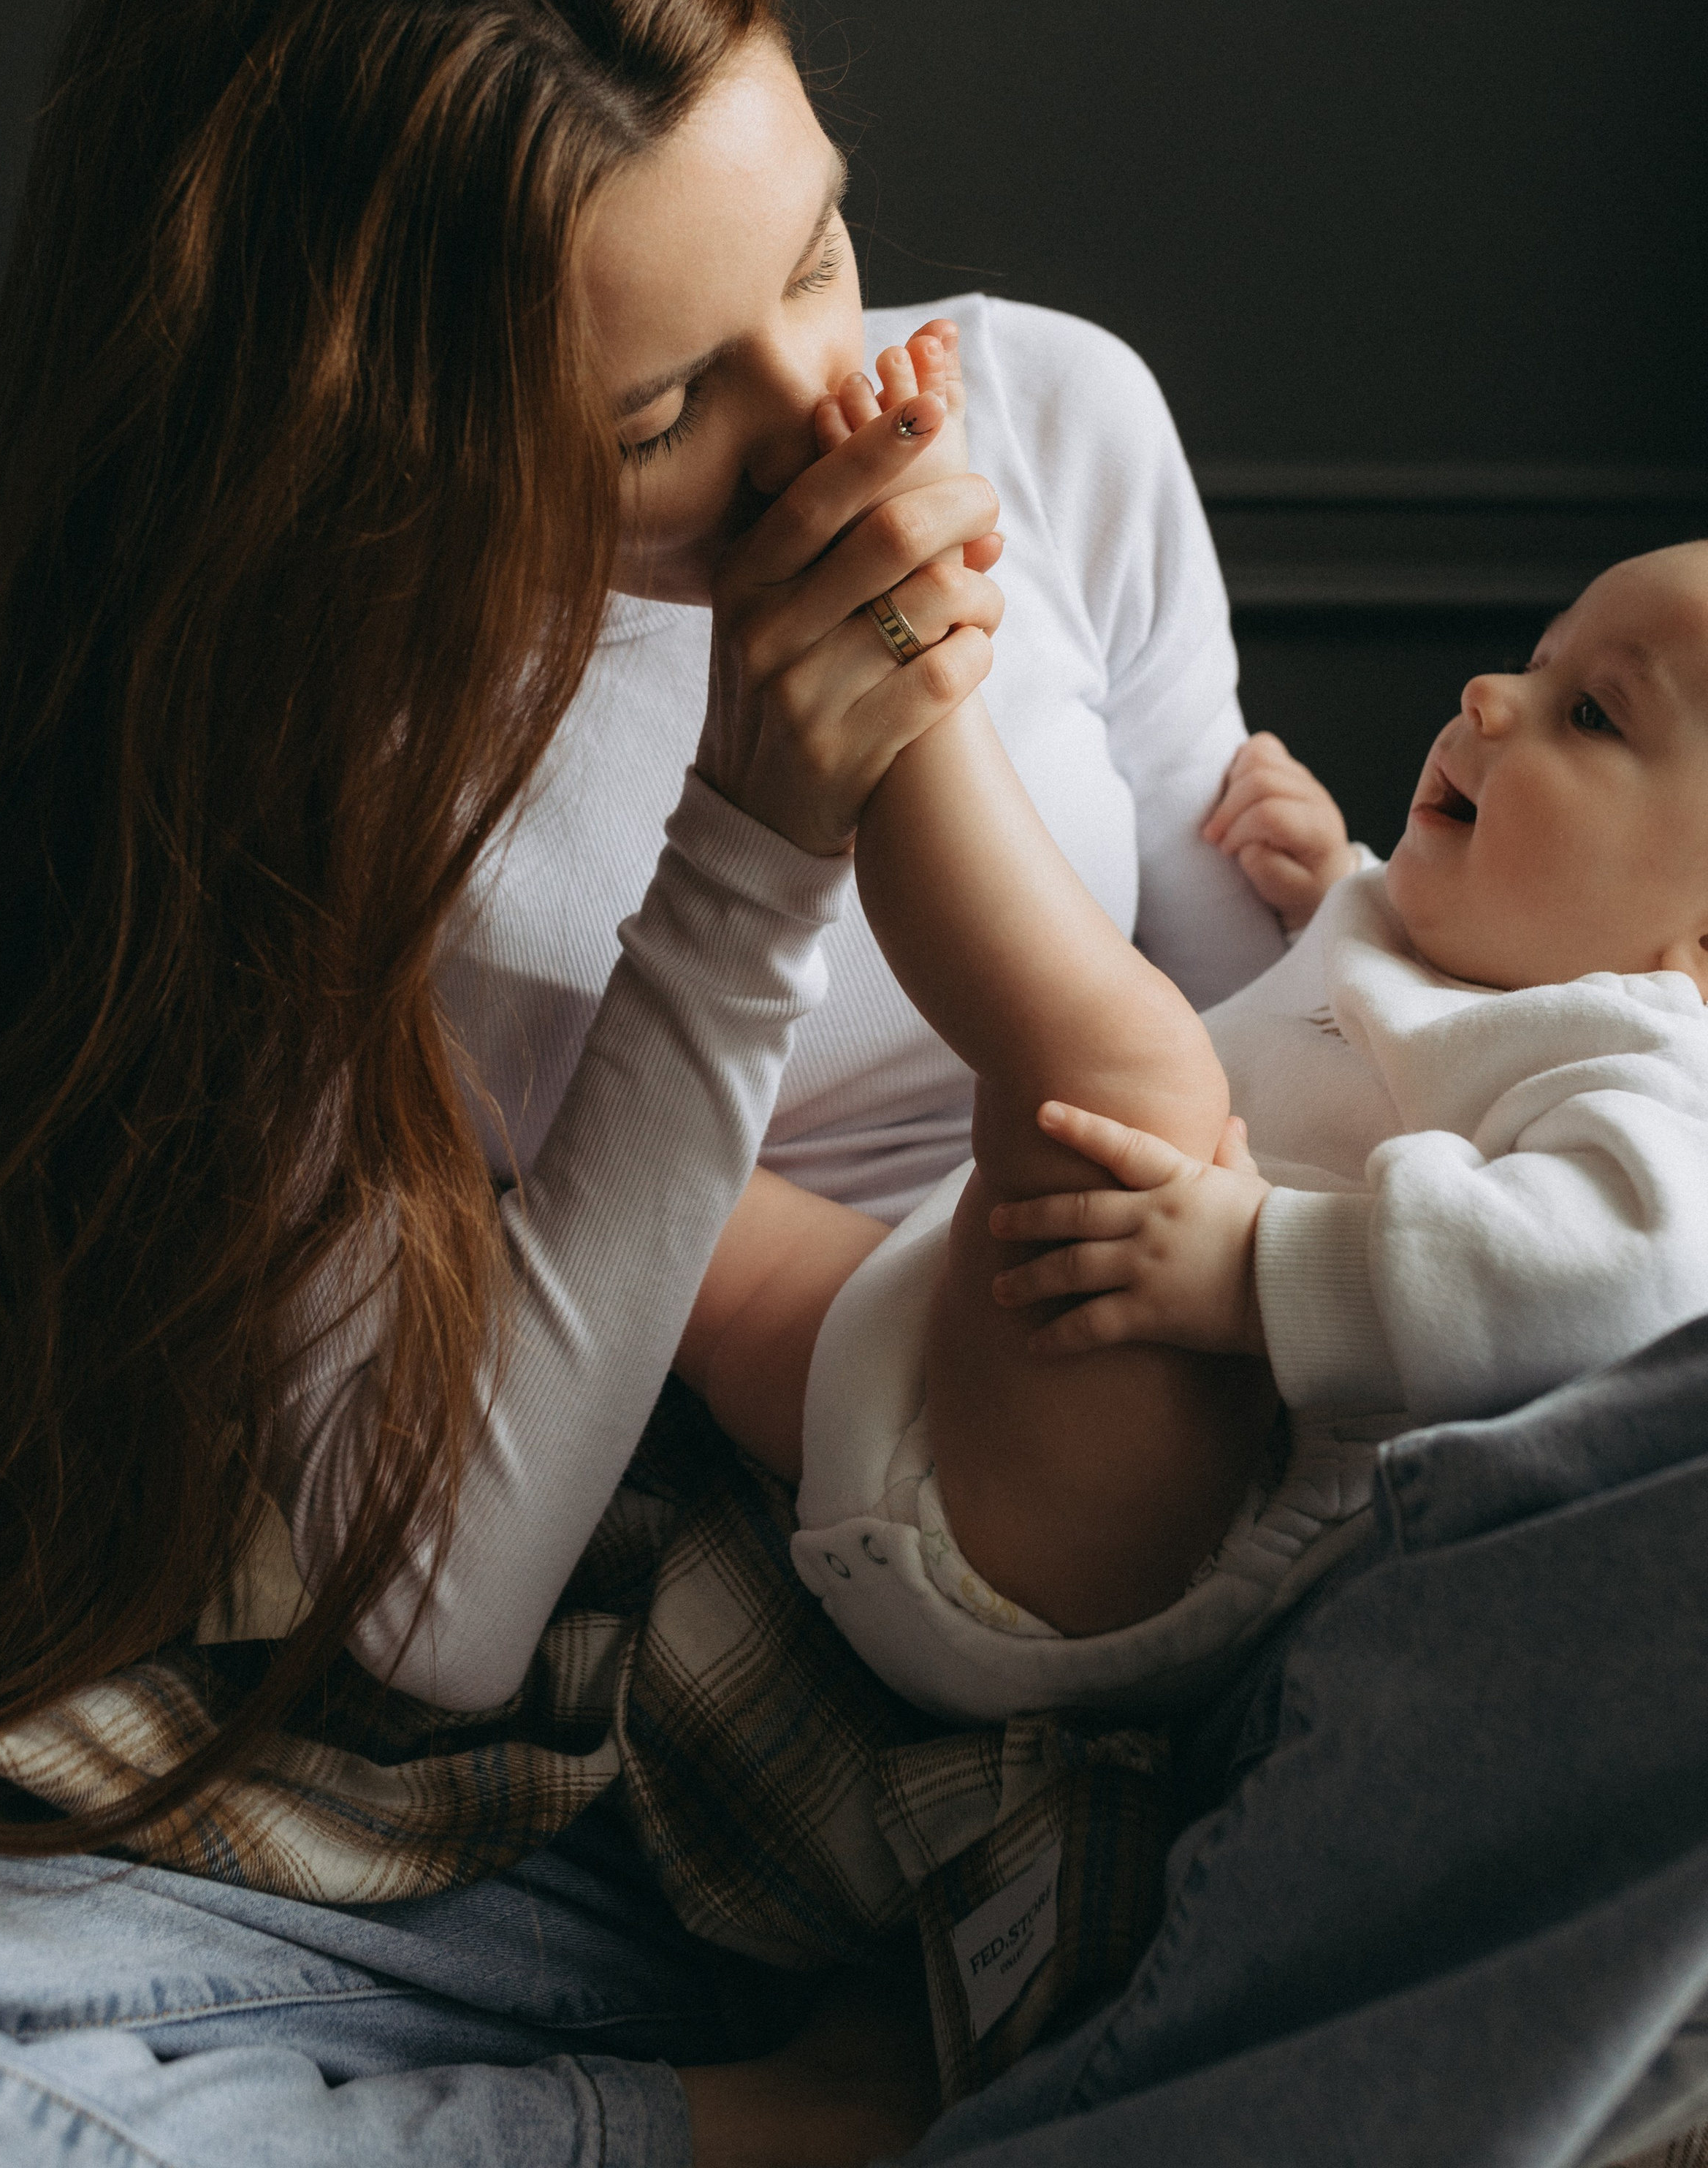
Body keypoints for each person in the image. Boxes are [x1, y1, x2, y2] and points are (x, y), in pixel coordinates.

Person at [0, 0, 1283, 2165]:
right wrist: (745, 852)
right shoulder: (313, 753)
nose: (832, 419)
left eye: (819, 253)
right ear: (373, 423)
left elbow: (1273, 1073)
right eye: (656, 414)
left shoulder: (1056, 414)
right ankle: (737, 2120)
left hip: (1179, 1452)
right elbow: (438, 1620)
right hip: (682, 1672)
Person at [686, 324, 1708, 1731]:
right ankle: (514, 1186)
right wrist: (1335, 879)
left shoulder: (1645, 1078)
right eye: (1537, 657)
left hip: (1152, 1527)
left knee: (1119, 1071)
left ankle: (902, 653)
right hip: (915, 1389)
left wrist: (1258, 1268)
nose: (1491, 695)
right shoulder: (1452, 951)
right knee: (707, 1240)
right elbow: (1366, 1041)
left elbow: (1625, 1282)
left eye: (1590, 714)